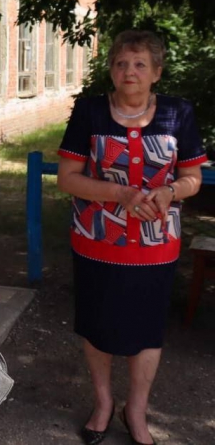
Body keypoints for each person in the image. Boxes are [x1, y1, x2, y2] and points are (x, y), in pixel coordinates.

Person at [57, 30, 206, 445]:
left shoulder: (178, 113)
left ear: (156, 72)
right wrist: (121, 195)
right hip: (97, 243)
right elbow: (68, 180)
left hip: (156, 246)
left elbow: (192, 177)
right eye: (122, 63)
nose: (130, 71)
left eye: (140, 64)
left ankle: (136, 410)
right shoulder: (89, 112)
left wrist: (170, 191)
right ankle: (103, 403)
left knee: (147, 329)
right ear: (111, 69)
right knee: (97, 324)